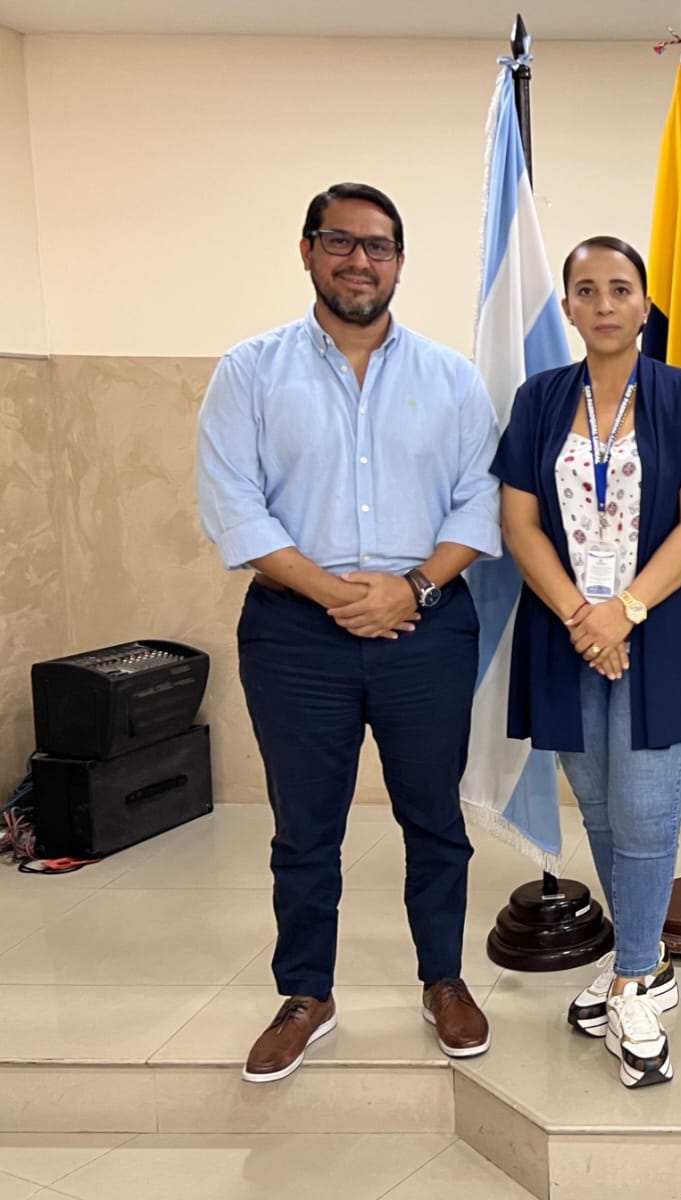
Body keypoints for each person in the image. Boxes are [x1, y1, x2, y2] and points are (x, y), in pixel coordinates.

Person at [196, 182, 497, 1083]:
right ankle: (306, 995)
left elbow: (480, 500)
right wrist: (340, 595)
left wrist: (412, 589)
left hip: (427, 629)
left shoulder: (450, 378)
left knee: (434, 818)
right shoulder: (250, 372)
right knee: (305, 827)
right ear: (307, 250)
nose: (359, 261)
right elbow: (234, 506)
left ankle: (443, 980)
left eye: (379, 247)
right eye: (340, 241)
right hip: (296, 635)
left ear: (400, 263)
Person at [493, 236, 681, 1089]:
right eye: (587, 290)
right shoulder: (539, 399)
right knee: (598, 806)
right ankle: (647, 959)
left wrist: (623, 610)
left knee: (645, 811)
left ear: (644, 305)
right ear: (567, 306)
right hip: (566, 632)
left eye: (620, 289)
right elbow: (519, 522)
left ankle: (633, 976)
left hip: (660, 632)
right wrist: (581, 615)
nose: (604, 304)